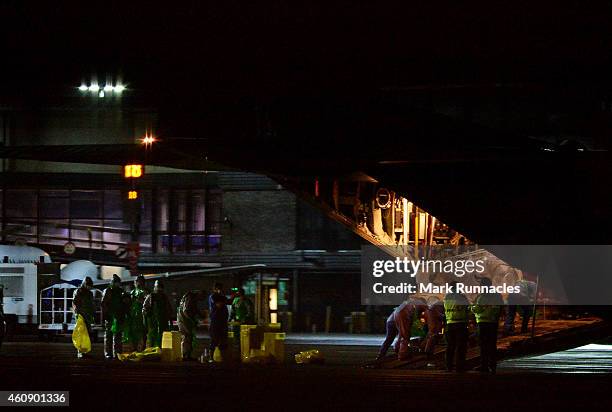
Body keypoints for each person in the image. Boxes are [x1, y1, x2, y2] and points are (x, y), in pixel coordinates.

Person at [471, 277, 504, 373]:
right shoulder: (497, 296)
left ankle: (484, 365)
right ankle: (493, 365)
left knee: (483, 345)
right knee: (492, 344)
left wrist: (472, 308)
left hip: (483, 323)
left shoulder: (482, 297)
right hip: (493, 323)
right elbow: (501, 308)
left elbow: (478, 309)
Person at [444, 281, 469, 372]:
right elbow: (467, 309)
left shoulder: (447, 297)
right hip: (461, 324)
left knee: (450, 347)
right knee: (461, 347)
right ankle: (460, 367)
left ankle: (448, 366)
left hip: (450, 324)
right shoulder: (462, 297)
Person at [393, 295, 427, 361]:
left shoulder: (413, 302)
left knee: (401, 333)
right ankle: (402, 355)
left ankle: (397, 349)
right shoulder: (421, 304)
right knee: (405, 336)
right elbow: (428, 311)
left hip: (397, 313)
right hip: (403, 314)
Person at [177, 290, 207, 361]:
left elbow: (195, 309)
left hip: (185, 320)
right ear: (199, 294)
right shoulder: (190, 298)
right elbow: (186, 311)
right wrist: (192, 320)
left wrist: (201, 315)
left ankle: (187, 355)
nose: (201, 300)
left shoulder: (192, 298)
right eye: (202, 298)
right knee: (187, 337)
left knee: (189, 337)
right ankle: (185, 356)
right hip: (184, 320)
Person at [101, 274, 126, 360]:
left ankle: (117, 353)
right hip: (111, 316)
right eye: (117, 283)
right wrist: (106, 315)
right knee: (109, 335)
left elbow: (123, 303)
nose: (118, 284)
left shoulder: (120, 291)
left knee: (117, 335)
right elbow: (104, 304)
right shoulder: (108, 291)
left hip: (118, 316)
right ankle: (108, 353)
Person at [143, 280, 173, 348]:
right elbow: (144, 309)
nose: (159, 289)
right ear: (155, 287)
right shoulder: (151, 297)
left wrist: (170, 321)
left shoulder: (164, 297)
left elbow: (169, 309)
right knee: (152, 338)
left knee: (162, 337)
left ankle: (159, 350)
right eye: (158, 287)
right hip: (152, 323)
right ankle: (152, 351)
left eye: (161, 287)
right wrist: (146, 322)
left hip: (162, 322)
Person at [72, 276, 95, 358]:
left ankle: (84, 350)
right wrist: (77, 314)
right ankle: (80, 351)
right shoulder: (78, 291)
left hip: (87, 316)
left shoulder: (89, 293)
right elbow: (75, 303)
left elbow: (92, 305)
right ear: (85, 284)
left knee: (87, 334)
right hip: (81, 316)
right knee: (81, 333)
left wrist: (92, 314)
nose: (90, 287)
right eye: (89, 285)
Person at [126, 275, 149, 351]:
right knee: (133, 333)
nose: (136, 283)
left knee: (142, 333)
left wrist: (139, 300)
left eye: (138, 281)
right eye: (136, 281)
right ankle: (134, 348)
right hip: (133, 316)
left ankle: (142, 348)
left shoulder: (146, 292)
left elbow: (147, 303)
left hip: (142, 316)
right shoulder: (133, 292)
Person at [209, 293, 230, 360]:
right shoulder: (217, 309)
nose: (223, 303)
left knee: (221, 342)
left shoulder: (219, 308)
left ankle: (222, 357)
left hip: (219, 327)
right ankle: (212, 357)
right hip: (217, 327)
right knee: (214, 342)